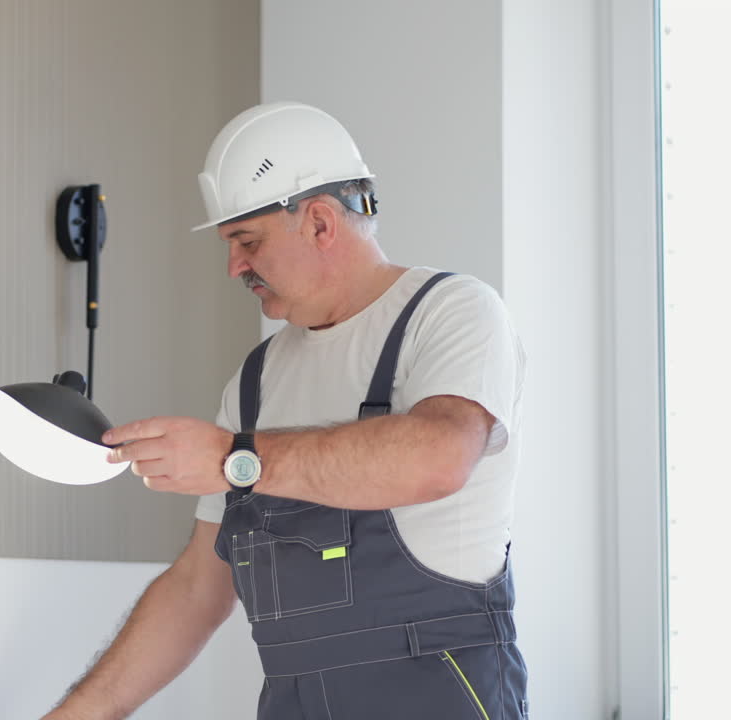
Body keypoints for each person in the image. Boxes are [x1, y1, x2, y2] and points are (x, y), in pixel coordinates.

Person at [43, 101, 529, 720]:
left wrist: (234, 457)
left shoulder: (450, 312)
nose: (234, 267)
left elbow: (438, 457)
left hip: (440, 693)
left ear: (322, 223)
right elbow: (197, 587)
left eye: (248, 242)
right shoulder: (255, 380)